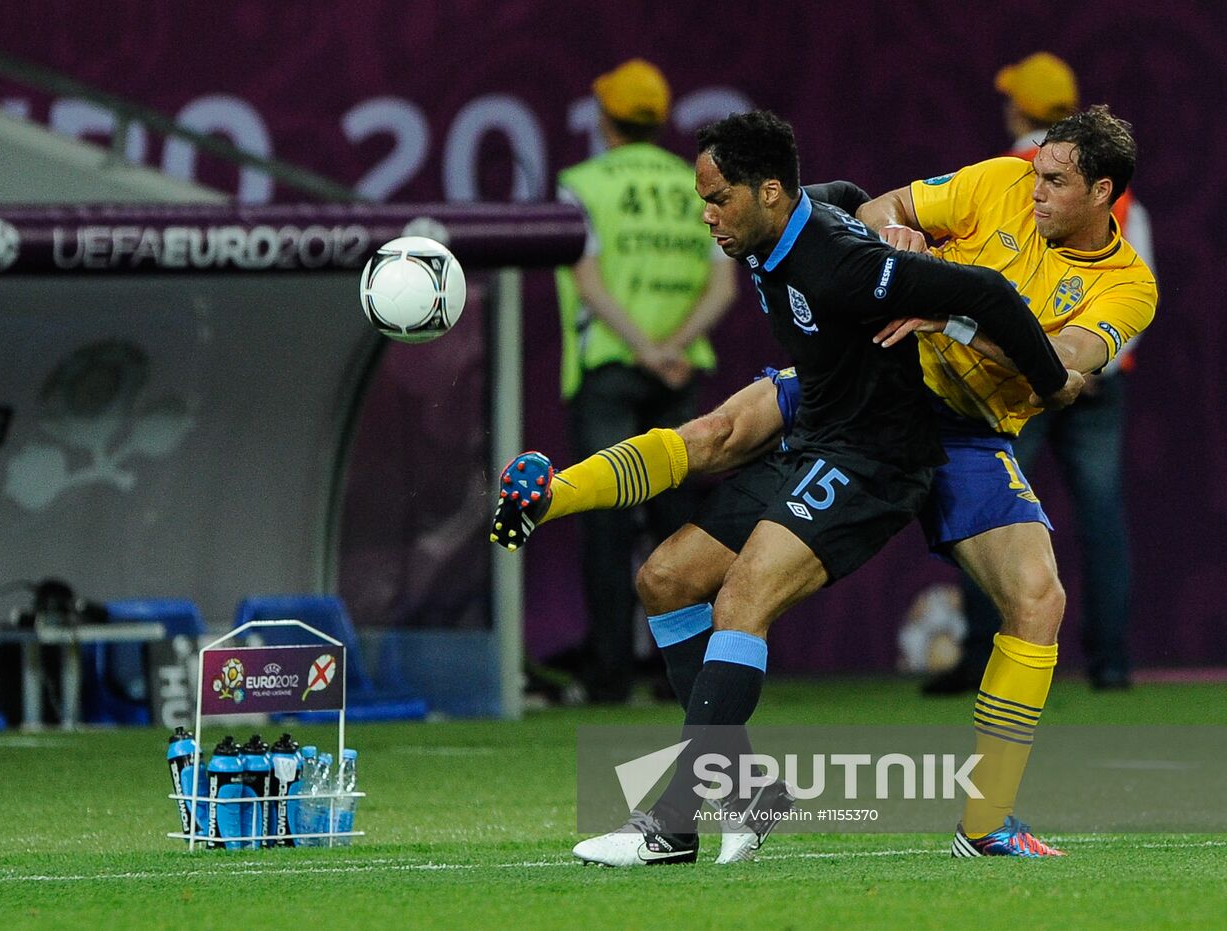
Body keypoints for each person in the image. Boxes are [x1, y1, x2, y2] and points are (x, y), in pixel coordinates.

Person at [495, 106, 1154, 860]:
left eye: (1056, 181)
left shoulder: (1129, 287)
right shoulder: (1000, 182)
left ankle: (985, 824)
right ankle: (737, 788)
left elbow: (1059, 365)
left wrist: (944, 315)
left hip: (966, 427)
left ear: (1103, 192)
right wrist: (895, 238)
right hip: (871, 373)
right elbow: (880, 206)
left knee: (1038, 600)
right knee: (676, 552)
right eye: (1037, 172)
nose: (1034, 189)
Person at [927, 53, 1156, 694]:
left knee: (987, 507)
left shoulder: (1018, 174)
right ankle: (1111, 662)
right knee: (1101, 518)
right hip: (1099, 378)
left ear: (1019, 109)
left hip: (1012, 377)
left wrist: (974, 333)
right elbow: (1140, 281)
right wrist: (1096, 355)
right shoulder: (1113, 188)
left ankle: (981, 653)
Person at [551, 59, 737, 702]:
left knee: (605, 516)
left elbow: (587, 281)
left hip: (611, 366)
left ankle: (608, 675)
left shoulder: (582, 184)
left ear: (605, 119)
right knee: (679, 525)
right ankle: (680, 671)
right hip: (678, 374)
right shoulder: (695, 184)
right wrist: (673, 348)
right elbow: (723, 284)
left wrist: (642, 348)